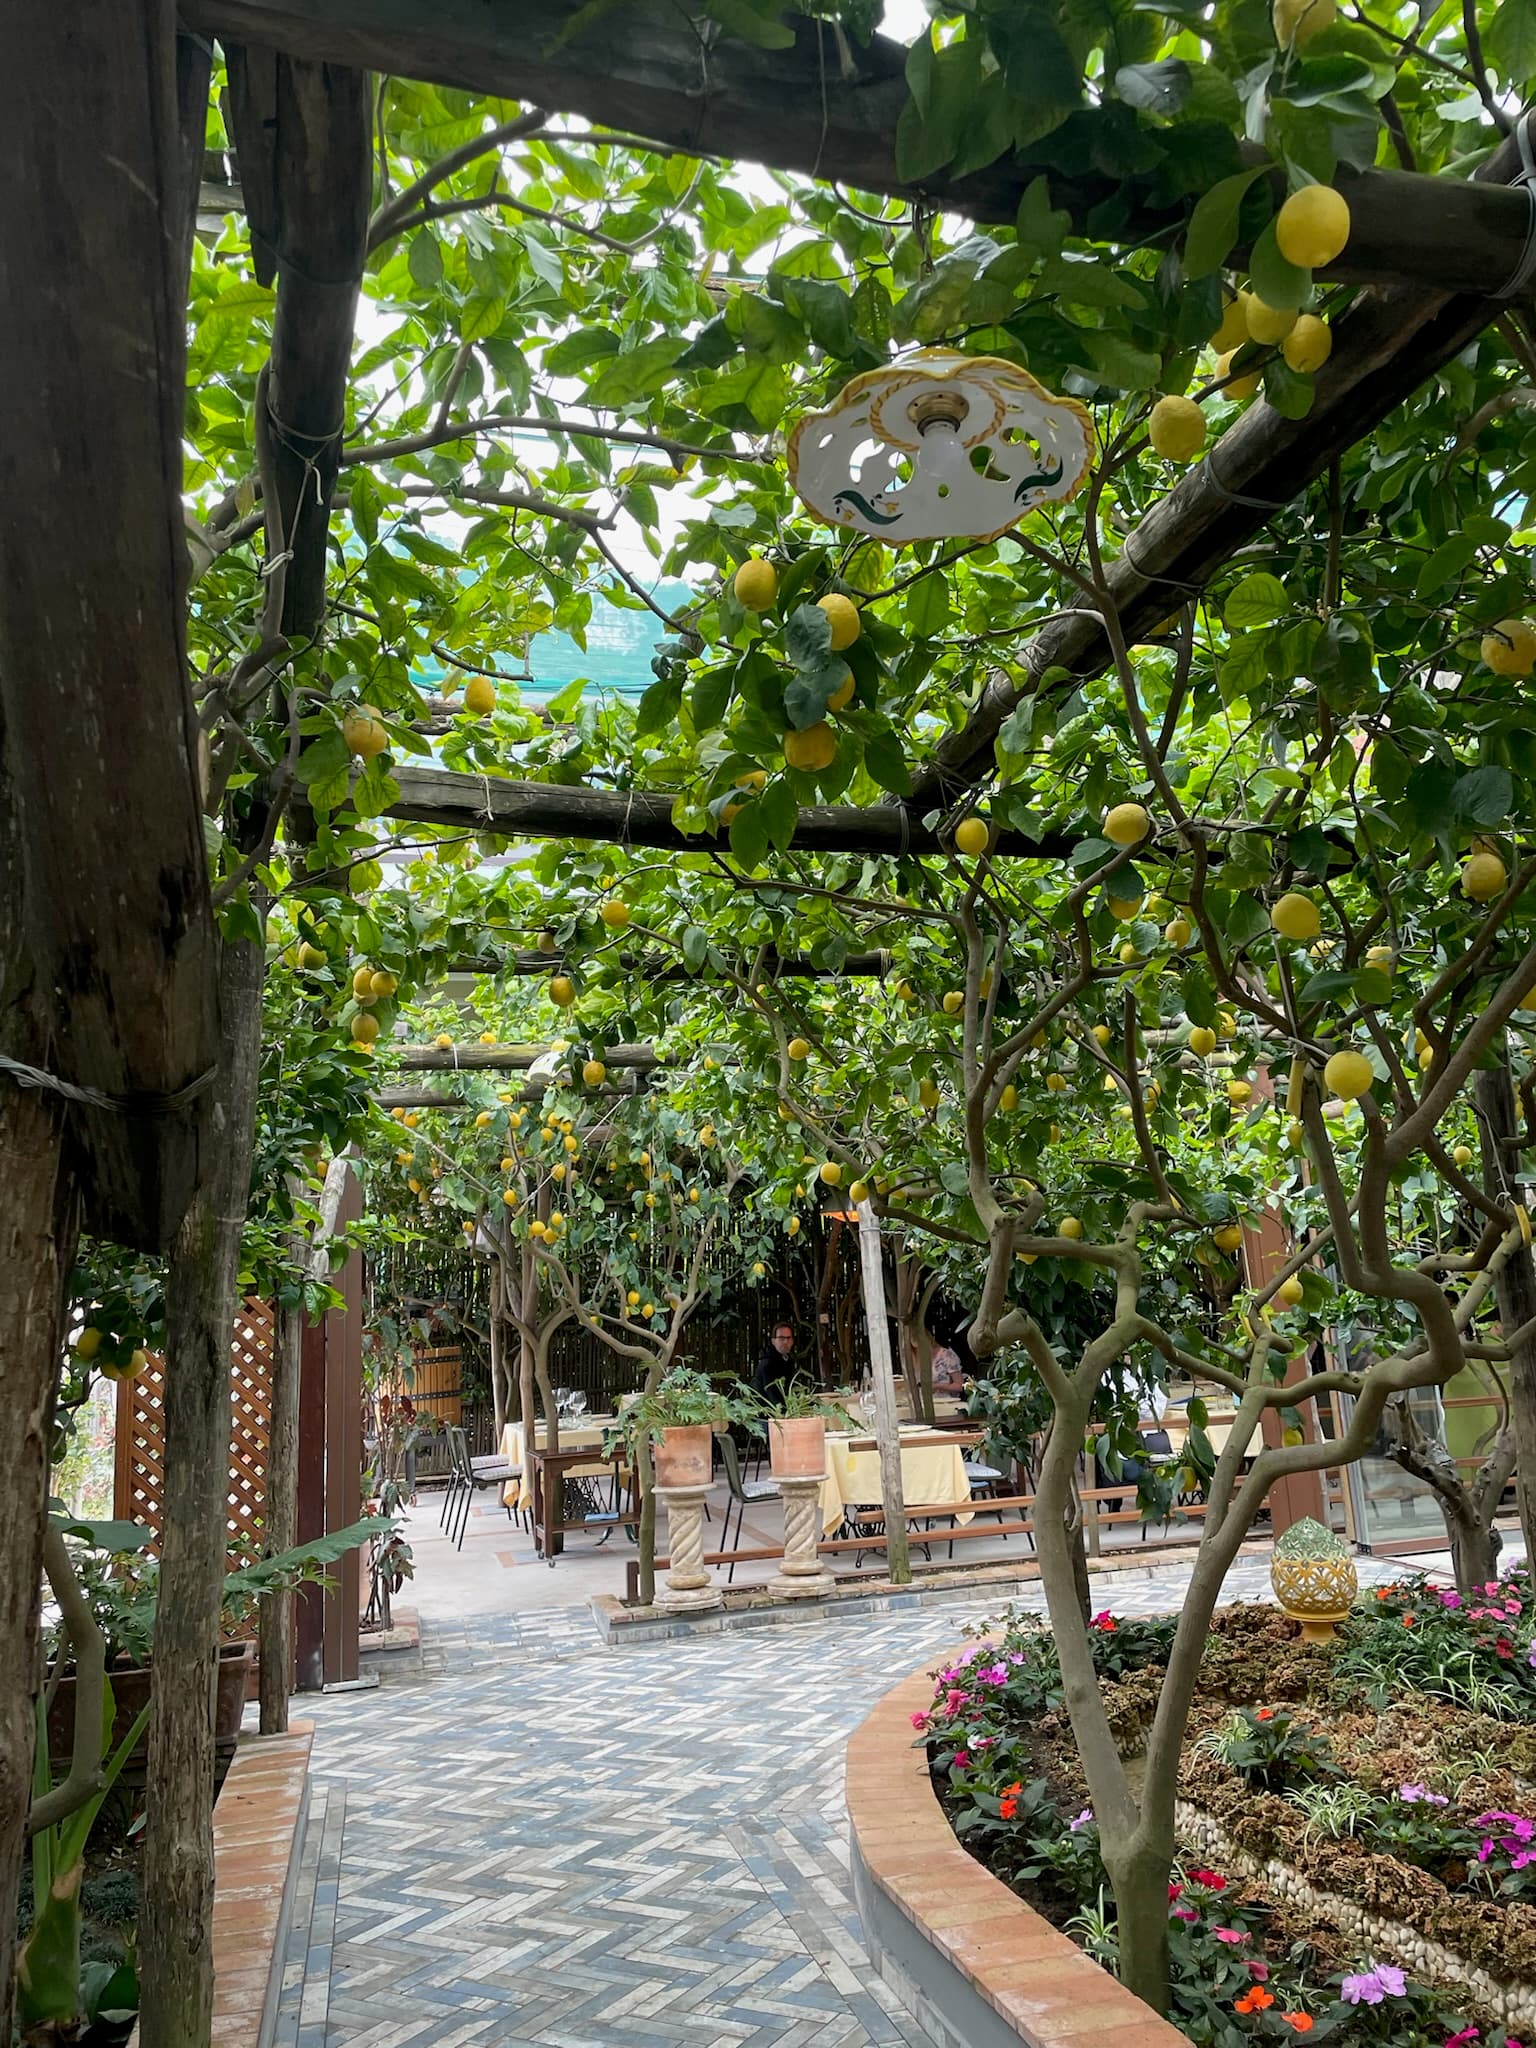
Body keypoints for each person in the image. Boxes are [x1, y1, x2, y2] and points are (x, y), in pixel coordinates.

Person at [754, 1320, 798, 1405]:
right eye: (781, 1338)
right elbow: (771, 1393)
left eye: (788, 1338)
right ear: (773, 1341)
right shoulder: (767, 1363)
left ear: (792, 1341)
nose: (785, 1342)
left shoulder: (788, 1360)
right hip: (766, 1413)